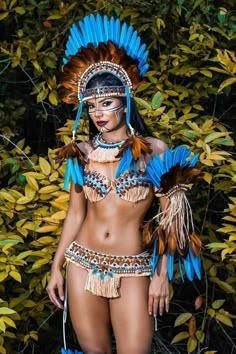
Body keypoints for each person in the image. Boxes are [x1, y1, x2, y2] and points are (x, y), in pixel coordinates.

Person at [46, 14, 202, 354]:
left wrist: (161, 276)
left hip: (133, 269)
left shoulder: (153, 152)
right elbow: (75, 215)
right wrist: (56, 267)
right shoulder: (82, 154)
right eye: (91, 107)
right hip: (82, 264)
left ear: (125, 101)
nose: (99, 113)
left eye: (107, 103)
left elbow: (171, 223)